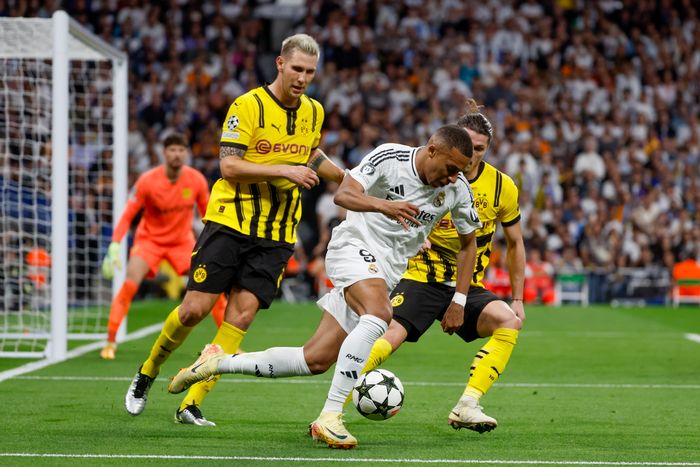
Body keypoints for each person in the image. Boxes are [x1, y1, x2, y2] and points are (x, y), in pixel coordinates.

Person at [168, 124, 482, 449]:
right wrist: (386, 205)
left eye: (460, 172)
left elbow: (468, 244)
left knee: (314, 360)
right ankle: (329, 417)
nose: (453, 178)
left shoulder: (458, 189)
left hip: (386, 271)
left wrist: (459, 299)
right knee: (379, 314)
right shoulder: (390, 158)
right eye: (450, 168)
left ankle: (217, 362)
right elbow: (343, 195)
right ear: (432, 150)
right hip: (353, 246)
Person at [124, 33, 345, 426]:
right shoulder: (248, 105)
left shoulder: (314, 111)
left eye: (310, 72)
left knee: (240, 319)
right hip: (231, 222)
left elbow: (311, 154)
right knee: (193, 310)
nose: (302, 78)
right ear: (280, 63)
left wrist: (347, 178)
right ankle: (149, 370)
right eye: (296, 69)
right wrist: (285, 170)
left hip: (277, 233)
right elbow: (228, 166)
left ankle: (191, 403)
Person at [354, 100, 526, 434]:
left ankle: (467, 405)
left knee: (509, 321)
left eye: (479, 149)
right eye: (468, 145)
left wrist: (517, 298)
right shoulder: (429, 174)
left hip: (466, 284)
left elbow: (515, 243)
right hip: (421, 276)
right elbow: (387, 205)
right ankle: (336, 403)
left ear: (488, 149)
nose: (472, 155)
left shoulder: (502, 187)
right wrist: (412, 236)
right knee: (390, 335)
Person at [99, 133, 226, 360]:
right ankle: (110, 341)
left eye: (181, 150)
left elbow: (208, 215)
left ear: (187, 153)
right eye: (172, 150)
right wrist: (115, 244)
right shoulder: (147, 181)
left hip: (181, 242)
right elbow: (128, 214)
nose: (176, 154)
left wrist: (216, 244)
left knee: (210, 285)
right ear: (164, 153)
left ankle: (226, 343)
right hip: (149, 241)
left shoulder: (196, 180)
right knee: (129, 283)